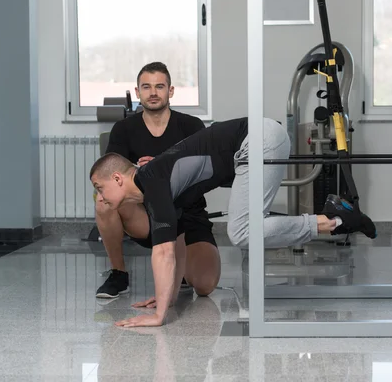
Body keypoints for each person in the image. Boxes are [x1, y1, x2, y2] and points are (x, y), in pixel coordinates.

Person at [89, 117, 377, 327]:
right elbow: (175, 245)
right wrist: (169, 298)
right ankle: (335, 217)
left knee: (241, 231)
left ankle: (330, 219)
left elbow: (162, 252)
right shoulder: (155, 182)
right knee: (243, 230)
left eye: (100, 187)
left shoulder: (151, 180)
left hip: (256, 139)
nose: (99, 195)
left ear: (117, 178)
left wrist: (158, 316)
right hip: (256, 139)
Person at [95, 61, 220, 300]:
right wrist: (140, 171)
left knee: (204, 285)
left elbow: (205, 172)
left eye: (160, 86)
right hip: (146, 215)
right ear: (138, 92)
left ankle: (181, 269)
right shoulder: (123, 129)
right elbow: (112, 177)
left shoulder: (191, 126)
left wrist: (164, 167)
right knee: (103, 201)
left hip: (188, 213)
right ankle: (119, 274)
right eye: (147, 87)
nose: (153, 92)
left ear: (170, 91)